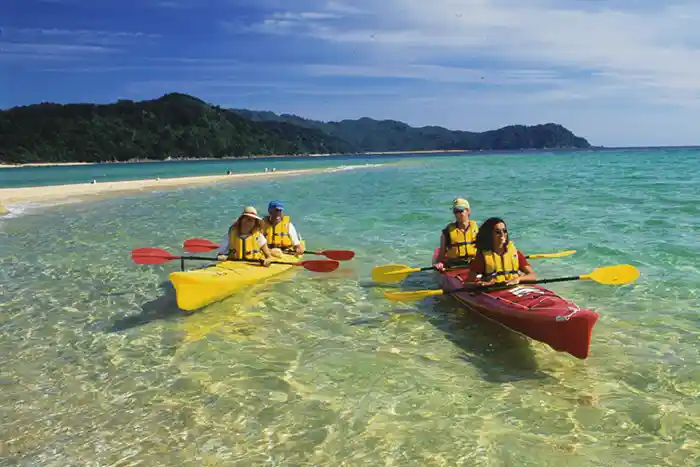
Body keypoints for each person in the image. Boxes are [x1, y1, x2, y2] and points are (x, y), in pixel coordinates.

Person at [465, 217, 536, 286]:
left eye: (504, 231)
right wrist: (480, 284)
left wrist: (518, 279)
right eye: (498, 232)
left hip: (515, 288)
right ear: (489, 234)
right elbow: (467, 283)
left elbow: (532, 275)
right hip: (494, 291)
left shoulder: (515, 253)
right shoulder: (482, 257)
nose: (502, 234)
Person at [433, 197, 479, 271]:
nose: (457, 214)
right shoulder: (447, 232)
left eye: (460, 211)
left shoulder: (477, 230)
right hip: (454, 266)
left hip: (473, 264)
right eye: (455, 211)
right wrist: (439, 263)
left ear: (468, 211)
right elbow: (441, 255)